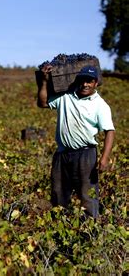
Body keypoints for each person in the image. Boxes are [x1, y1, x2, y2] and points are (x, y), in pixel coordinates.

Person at [37, 64, 115, 218]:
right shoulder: (66, 97)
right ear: (78, 80)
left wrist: (104, 158)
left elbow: (110, 131)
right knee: (58, 194)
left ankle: (91, 233)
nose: (85, 84)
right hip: (62, 154)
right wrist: (44, 82)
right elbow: (43, 103)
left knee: (88, 195)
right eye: (83, 80)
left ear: (96, 83)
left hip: (86, 155)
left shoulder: (101, 105)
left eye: (90, 81)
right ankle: (60, 230)